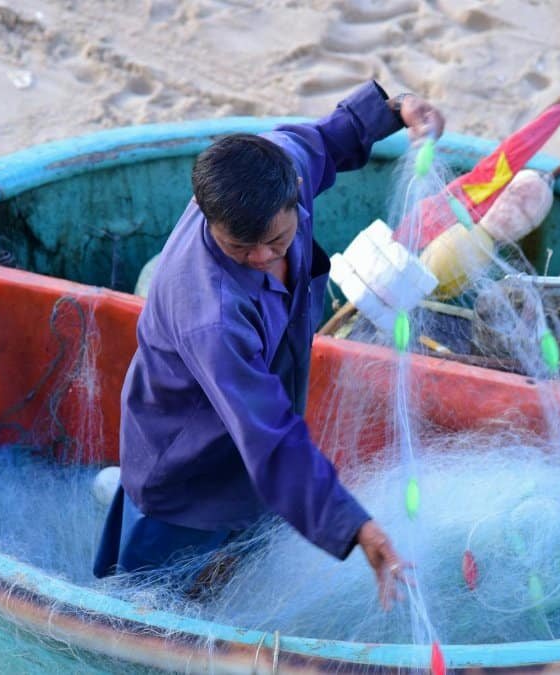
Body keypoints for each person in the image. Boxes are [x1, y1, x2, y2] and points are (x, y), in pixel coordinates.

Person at [94, 81, 444, 608]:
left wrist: (395, 111)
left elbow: (325, 139)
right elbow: (270, 435)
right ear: (208, 217)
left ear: (294, 193)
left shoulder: (280, 166)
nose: (261, 257)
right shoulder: (211, 315)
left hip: (252, 444)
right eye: (239, 246)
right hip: (184, 463)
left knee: (238, 554)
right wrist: (353, 526)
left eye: (277, 241)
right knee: (143, 602)